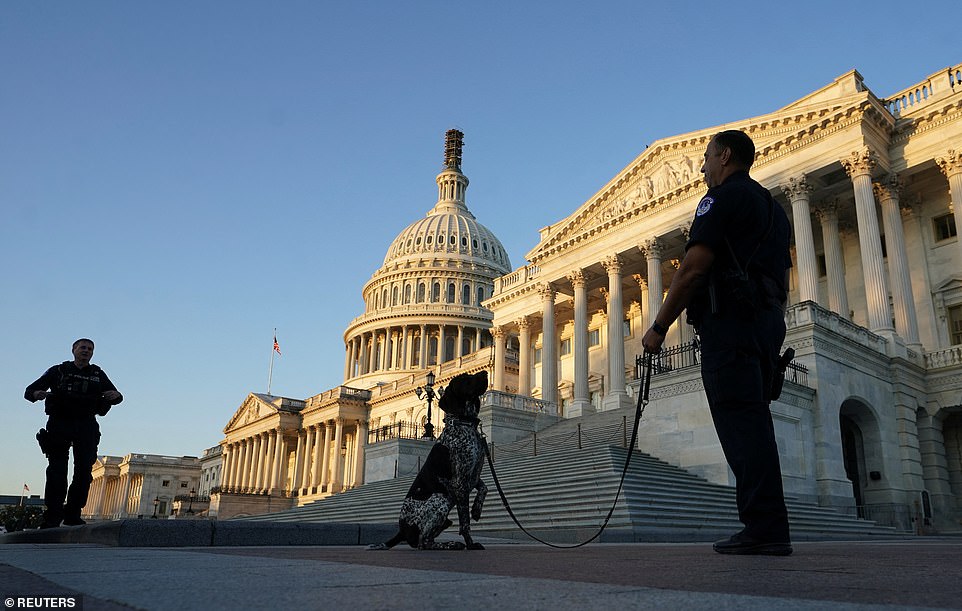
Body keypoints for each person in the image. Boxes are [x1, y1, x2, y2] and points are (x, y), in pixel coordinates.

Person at [641, 130, 793, 556]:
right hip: (766, 324)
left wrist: (659, 327)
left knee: (740, 427)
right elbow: (781, 277)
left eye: (706, 158)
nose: (702, 167)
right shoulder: (773, 209)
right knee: (757, 426)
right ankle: (769, 525)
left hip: (729, 324)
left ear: (725, 156)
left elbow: (693, 268)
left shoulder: (719, 199)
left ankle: (762, 528)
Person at [25, 338, 123, 528]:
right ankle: (53, 514)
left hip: (86, 423)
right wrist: (37, 394)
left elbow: (115, 394)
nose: (86, 351)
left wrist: (117, 396)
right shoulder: (58, 370)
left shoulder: (97, 373)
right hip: (60, 422)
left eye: (90, 349)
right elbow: (29, 390)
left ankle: (73, 513)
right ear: (73, 350)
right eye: (83, 347)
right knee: (57, 470)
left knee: (84, 471)